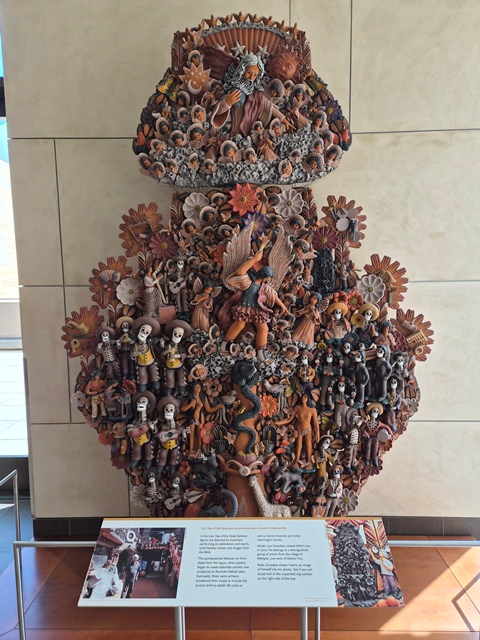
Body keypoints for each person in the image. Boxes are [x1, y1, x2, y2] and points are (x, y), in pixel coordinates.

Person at [211, 53, 293, 137]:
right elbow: (217, 113)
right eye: (249, 72)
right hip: (231, 133)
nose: (251, 78)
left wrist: (284, 120)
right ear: (242, 71)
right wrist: (227, 103)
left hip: (249, 135)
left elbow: (269, 107)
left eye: (255, 75)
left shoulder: (257, 95)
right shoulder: (233, 90)